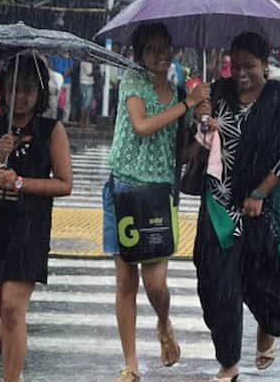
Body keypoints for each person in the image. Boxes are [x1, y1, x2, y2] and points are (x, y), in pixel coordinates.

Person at [192, 32, 280, 381]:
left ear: (265, 65)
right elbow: (198, 140)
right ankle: (228, 361)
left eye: (250, 66)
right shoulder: (218, 93)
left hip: (263, 203)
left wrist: (259, 192)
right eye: (236, 65)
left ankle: (267, 327)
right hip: (220, 205)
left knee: (264, 279)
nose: (242, 73)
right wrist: (203, 121)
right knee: (215, 283)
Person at [102, 23, 210, 382]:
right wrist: (186, 105)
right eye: (151, 50)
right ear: (139, 54)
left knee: (156, 284)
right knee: (124, 281)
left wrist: (203, 127)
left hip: (159, 194)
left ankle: (163, 321)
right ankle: (130, 363)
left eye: (165, 49)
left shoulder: (179, 88)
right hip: (123, 189)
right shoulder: (133, 80)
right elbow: (142, 126)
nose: (160, 56)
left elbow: (178, 150)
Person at [0, 55, 73, 382]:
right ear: (3, 91)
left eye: (27, 90)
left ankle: (10, 377)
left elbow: (65, 184)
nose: (20, 97)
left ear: (40, 93)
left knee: (12, 308)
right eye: (13, 89)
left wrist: (20, 182)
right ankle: (15, 364)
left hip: (29, 228)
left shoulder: (51, 131)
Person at [49, 55, 74, 123]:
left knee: (66, 101)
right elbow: (51, 67)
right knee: (54, 101)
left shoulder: (69, 57)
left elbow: (71, 68)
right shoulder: (53, 56)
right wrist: (58, 77)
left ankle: (65, 120)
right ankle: (53, 119)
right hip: (55, 82)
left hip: (67, 82)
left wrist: (62, 76)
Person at [79, 60, 95, 126]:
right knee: (86, 103)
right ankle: (83, 120)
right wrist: (97, 72)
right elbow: (89, 73)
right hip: (86, 83)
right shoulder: (86, 62)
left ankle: (85, 120)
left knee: (87, 103)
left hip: (87, 83)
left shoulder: (86, 62)